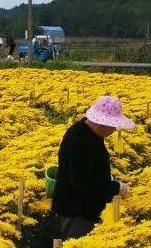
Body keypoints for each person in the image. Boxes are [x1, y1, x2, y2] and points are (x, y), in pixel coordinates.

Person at [52, 96, 134, 239]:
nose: (114, 129)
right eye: (113, 125)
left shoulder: (90, 133)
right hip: (76, 213)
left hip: (85, 208)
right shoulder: (78, 138)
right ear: (101, 123)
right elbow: (82, 182)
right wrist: (116, 188)